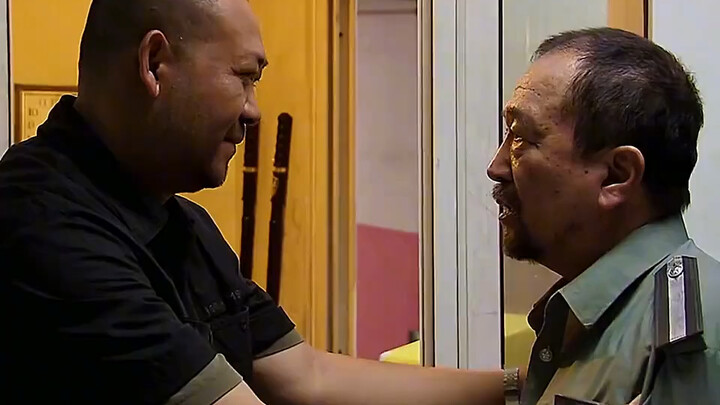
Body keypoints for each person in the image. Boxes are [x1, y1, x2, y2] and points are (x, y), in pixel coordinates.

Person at [0, 0, 512, 404]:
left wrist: (522, 385)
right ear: (154, 64)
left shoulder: (183, 223)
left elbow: (307, 377)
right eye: (244, 77)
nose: (253, 110)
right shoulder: (38, 223)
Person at [487, 27, 720, 404]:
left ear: (616, 175)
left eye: (521, 138)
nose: (497, 167)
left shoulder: (693, 343)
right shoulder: (607, 321)